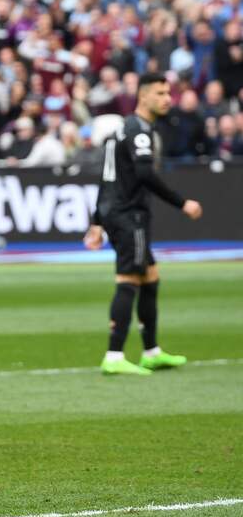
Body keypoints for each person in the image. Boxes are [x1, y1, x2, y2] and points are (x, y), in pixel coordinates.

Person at [84, 72, 203, 376]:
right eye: (160, 93)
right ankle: (114, 355)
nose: (167, 99)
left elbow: (107, 177)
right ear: (144, 95)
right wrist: (182, 203)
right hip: (129, 215)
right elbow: (145, 174)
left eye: (168, 93)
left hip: (117, 212)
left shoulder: (122, 128)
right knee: (129, 279)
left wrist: (97, 221)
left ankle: (151, 352)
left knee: (150, 276)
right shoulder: (139, 131)